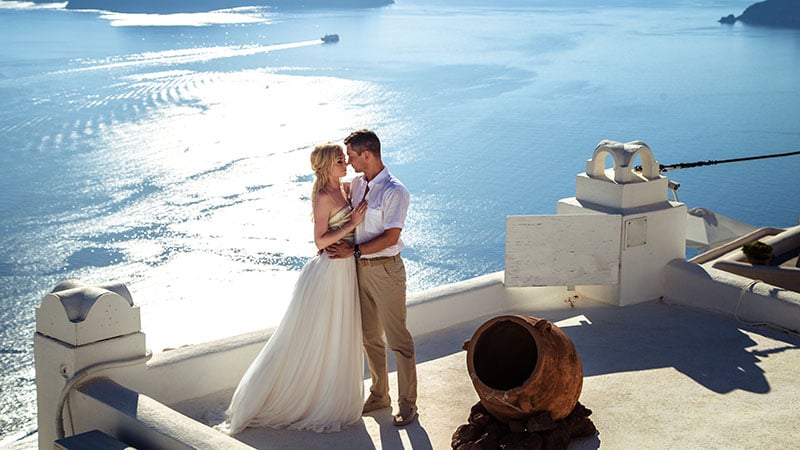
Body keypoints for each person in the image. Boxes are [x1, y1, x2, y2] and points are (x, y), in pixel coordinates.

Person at [217, 142, 368, 434]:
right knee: (321, 335)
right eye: (339, 161)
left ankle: (335, 393)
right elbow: (320, 241)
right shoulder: (324, 196)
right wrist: (353, 224)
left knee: (341, 332)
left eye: (344, 159)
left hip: (346, 267)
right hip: (331, 271)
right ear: (326, 165)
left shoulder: (345, 188)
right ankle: (303, 397)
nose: (345, 164)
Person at [327, 129, 418, 427]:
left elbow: (391, 236)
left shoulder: (395, 191)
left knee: (398, 340)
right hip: (359, 270)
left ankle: (408, 404)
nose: (349, 162)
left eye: (352, 156)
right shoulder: (355, 184)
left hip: (386, 270)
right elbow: (326, 185)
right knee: (369, 337)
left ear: (367, 154)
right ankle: (380, 394)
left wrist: (353, 251)